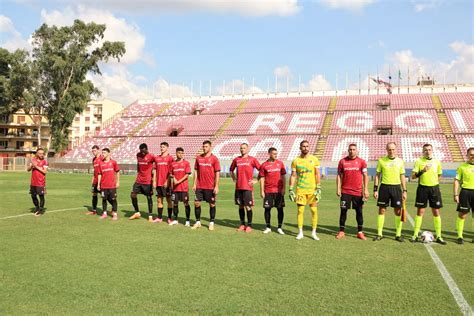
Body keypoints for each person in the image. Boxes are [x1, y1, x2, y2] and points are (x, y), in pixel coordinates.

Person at [410, 144, 446, 244]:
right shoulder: (419, 161)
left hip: (434, 189)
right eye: (425, 150)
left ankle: (439, 236)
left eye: (429, 150)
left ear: (432, 151)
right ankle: (415, 234)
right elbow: (413, 176)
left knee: (436, 212)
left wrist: (435, 185)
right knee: (420, 212)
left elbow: (439, 175)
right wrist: (422, 171)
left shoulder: (437, 162)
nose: (428, 151)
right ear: (423, 151)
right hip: (422, 189)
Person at [373, 142, 407, 242]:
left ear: (396, 149)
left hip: (396, 188)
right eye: (389, 149)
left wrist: (404, 190)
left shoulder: (400, 161)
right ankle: (379, 234)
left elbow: (402, 176)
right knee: (382, 210)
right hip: (384, 188)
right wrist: (375, 189)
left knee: (398, 211)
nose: (391, 151)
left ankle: (398, 235)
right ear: (386, 150)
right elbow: (377, 175)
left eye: (393, 149)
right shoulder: (381, 161)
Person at [289, 140, 321, 240]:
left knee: (314, 210)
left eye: (307, 146)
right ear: (300, 148)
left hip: (312, 190)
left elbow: (317, 173)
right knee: (300, 211)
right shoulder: (296, 161)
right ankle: (300, 232)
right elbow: (293, 175)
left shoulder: (314, 159)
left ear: (309, 147)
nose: (305, 148)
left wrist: (319, 186)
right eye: (303, 146)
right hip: (301, 190)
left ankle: (314, 232)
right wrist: (290, 188)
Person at [336, 144, 369, 240]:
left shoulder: (361, 162)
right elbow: (339, 175)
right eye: (350, 149)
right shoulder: (342, 161)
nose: (352, 151)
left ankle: (360, 232)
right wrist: (338, 188)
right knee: (343, 211)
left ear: (357, 151)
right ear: (348, 150)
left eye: (354, 149)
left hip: (358, 192)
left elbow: (365, 176)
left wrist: (365, 189)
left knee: (359, 211)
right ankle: (341, 231)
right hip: (345, 191)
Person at [230, 143, 261, 233]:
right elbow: (231, 170)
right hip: (238, 187)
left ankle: (249, 225)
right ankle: (242, 224)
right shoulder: (237, 159)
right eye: (241, 148)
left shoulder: (252, 159)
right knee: (240, 206)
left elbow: (261, 170)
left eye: (244, 148)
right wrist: (234, 178)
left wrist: (257, 180)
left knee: (248, 207)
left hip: (248, 187)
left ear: (248, 149)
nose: (242, 149)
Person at [191, 140, 220, 231]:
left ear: (210, 147)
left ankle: (211, 223)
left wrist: (216, 186)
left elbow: (217, 173)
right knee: (196, 203)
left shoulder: (214, 159)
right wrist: (194, 184)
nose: (204, 148)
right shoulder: (198, 158)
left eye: (206, 146)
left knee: (212, 204)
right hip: (199, 186)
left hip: (210, 186)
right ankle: (198, 222)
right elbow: (196, 171)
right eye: (203, 146)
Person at [259, 147, 286, 235]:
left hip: (278, 191)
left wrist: (284, 188)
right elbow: (262, 178)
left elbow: (283, 177)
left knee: (280, 209)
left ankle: (279, 227)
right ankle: (268, 227)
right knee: (267, 209)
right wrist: (262, 191)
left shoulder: (280, 163)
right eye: (274, 153)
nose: (276, 155)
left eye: (276, 153)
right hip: (268, 191)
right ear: (269, 154)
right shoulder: (264, 165)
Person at [145, 142, 173, 223]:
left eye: (163, 147)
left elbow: (171, 171)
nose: (162, 148)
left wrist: (167, 181)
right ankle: (159, 218)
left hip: (166, 183)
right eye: (161, 147)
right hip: (158, 183)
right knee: (159, 200)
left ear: (167, 147)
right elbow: (155, 170)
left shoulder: (170, 158)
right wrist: (154, 181)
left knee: (168, 200)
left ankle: (169, 218)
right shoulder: (157, 158)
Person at [128, 143, 155, 221]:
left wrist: (153, 173)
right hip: (139, 180)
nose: (142, 153)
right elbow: (138, 164)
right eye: (141, 151)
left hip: (148, 181)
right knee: (133, 195)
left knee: (149, 197)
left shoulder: (151, 156)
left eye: (144, 151)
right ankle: (137, 212)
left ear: (147, 149)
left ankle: (150, 216)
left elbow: (156, 164)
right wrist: (138, 172)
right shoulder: (138, 155)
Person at [453, 147, 474, 244]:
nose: (472, 156)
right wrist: (456, 194)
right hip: (465, 192)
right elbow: (457, 181)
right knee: (462, 215)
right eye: (471, 154)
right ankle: (460, 236)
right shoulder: (462, 167)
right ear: (467, 155)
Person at [169, 147, 192, 226]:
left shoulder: (186, 163)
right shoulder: (173, 163)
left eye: (182, 153)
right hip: (175, 189)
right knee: (175, 204)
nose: (181, 154)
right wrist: (173, 178)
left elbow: (187, 175)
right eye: (179, 153)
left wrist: (178, 181)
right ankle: (175, 219)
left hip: (183, 188)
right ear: (176, 153)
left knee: (186, 203)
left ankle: (187, 220)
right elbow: (170, 173)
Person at [97, 148, 120, 220]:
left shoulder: (113, 162)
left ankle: (115, 213)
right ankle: (104, 213)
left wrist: (118, 182)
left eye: (104, 153)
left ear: (108, 153)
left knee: (113, 199)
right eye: (102, 153)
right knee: (104, 199)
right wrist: (98, 184)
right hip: (103, 185)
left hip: (112, 186)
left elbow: (117, 172)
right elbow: (99, 174)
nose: (103, 154)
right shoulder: (100, 163)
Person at [27, 148, 48, 216]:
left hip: (40, 182)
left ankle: (41, 210)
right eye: (40, 153)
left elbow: (45, 171)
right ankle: (37, 207)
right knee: (33, 196)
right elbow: (28, 169)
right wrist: (31, 166)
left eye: (42, 153)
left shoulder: (45, 162)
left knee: (41, 196)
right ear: (37, 154)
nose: (42, 155)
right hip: (33, 182)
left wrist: (36, 166)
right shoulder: (33, 160)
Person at [86, 145, 103, 216]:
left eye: (95, 150)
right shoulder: (93, 159)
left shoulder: (102, 158)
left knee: (105, 196)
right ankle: (94, 210)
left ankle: (113, 209)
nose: (93, 152)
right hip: (95, 180)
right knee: (94, 194)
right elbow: (95, 170)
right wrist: (93, 178)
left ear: (98, 150)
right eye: (92, 151)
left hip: (102, 180)